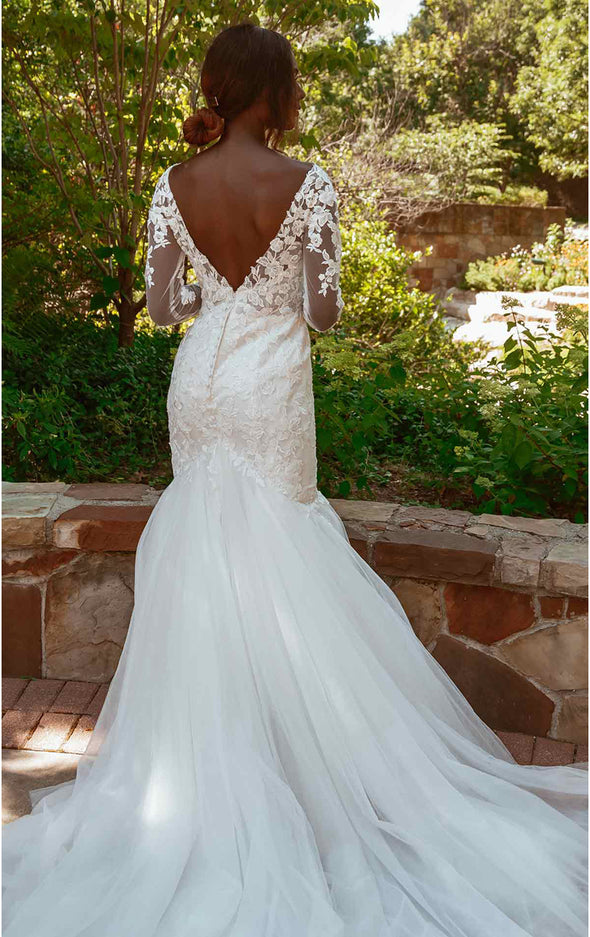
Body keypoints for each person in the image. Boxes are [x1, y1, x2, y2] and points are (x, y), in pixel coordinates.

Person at [3, 22, 587, 937]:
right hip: (270, 385)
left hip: (201, 385)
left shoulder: (173, 184)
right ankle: (297, 776)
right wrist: (278, 291)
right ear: (275, 93)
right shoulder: (308, 184)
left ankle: (208, 779)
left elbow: (164, 306)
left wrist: (213, 290)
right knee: (283, 550)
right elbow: (325, 308)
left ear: (218, 87)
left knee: (208, 551)